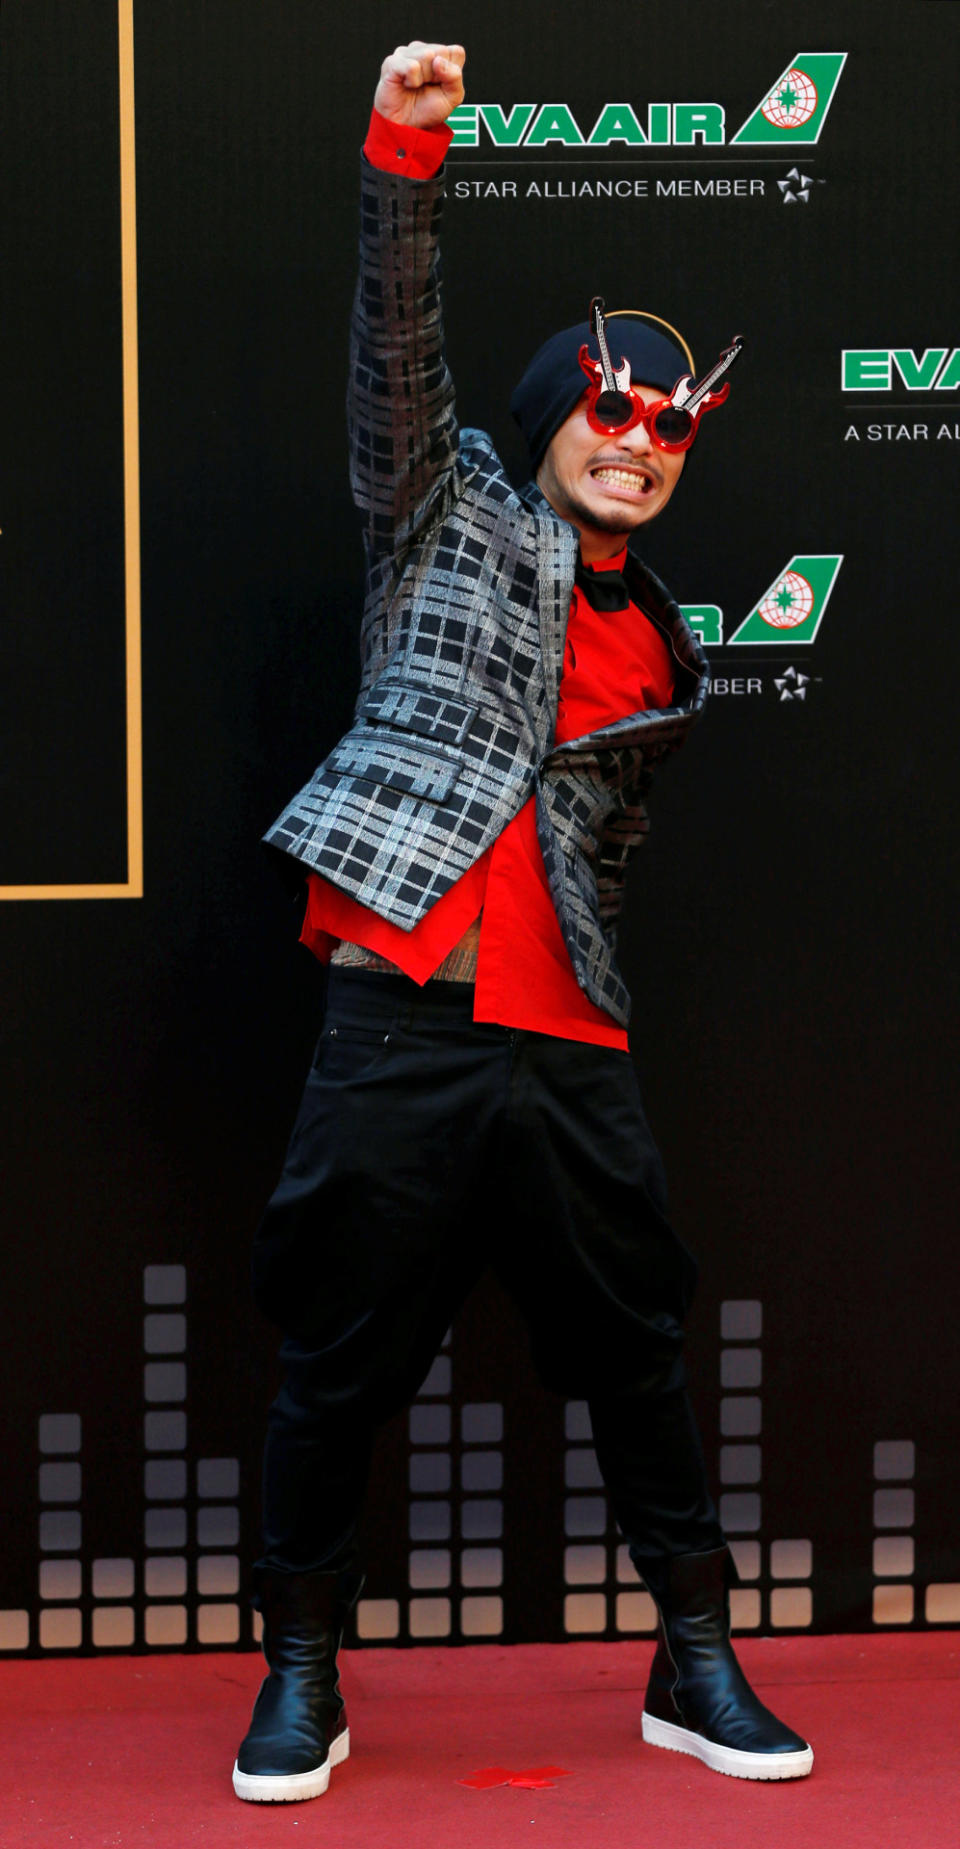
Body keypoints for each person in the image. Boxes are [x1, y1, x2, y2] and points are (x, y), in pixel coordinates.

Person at [233, 40, 814, 1804]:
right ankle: (303, 1674)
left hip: (570, 1040)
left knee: (639, 1352)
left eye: (672, 425)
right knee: (338, 1355)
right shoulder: (440, 514)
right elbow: (393, 352)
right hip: (400, 1010)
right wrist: (408, 149)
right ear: (554, 416)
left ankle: (692, 1654)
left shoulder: (677, 645)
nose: (641, 442)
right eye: (614, 409)